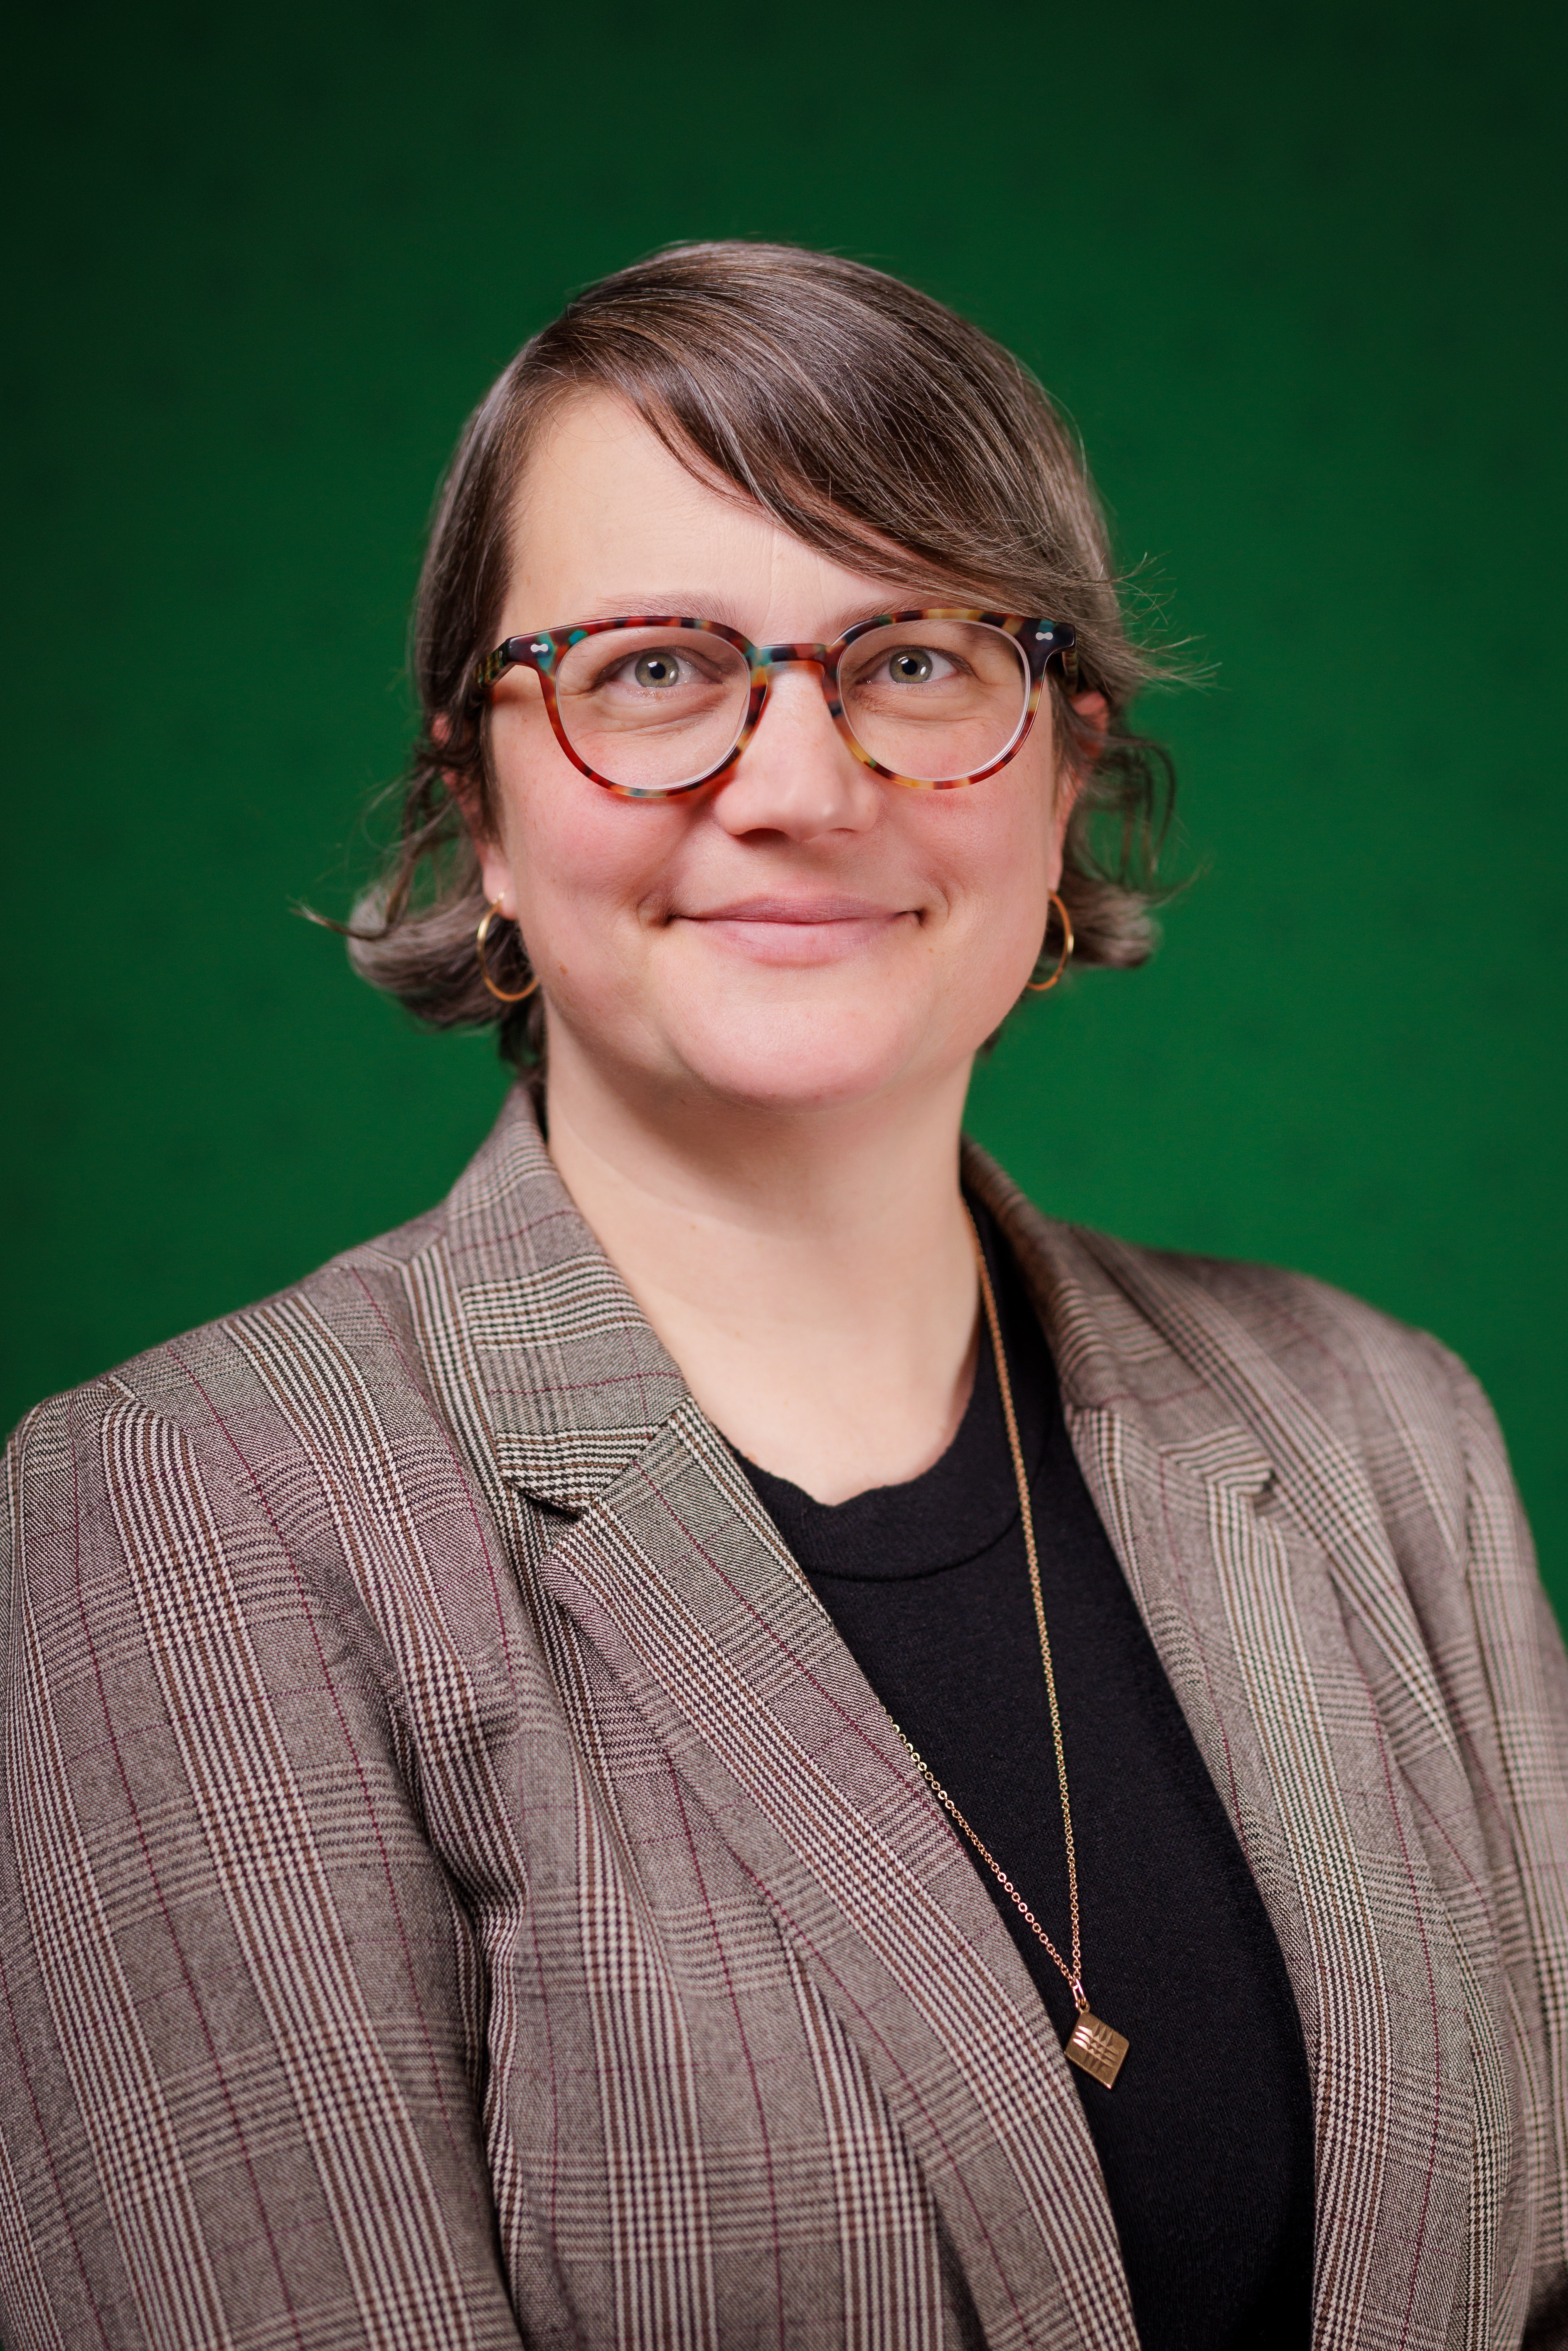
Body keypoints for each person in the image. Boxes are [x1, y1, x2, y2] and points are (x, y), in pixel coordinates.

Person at [2, 242, 1564, 2351]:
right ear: (478, 809)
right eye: (653, 667)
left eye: (911, 658)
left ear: (1065, 774)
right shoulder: (187, 1520)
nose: (800, 785)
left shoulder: (1381, 1427)